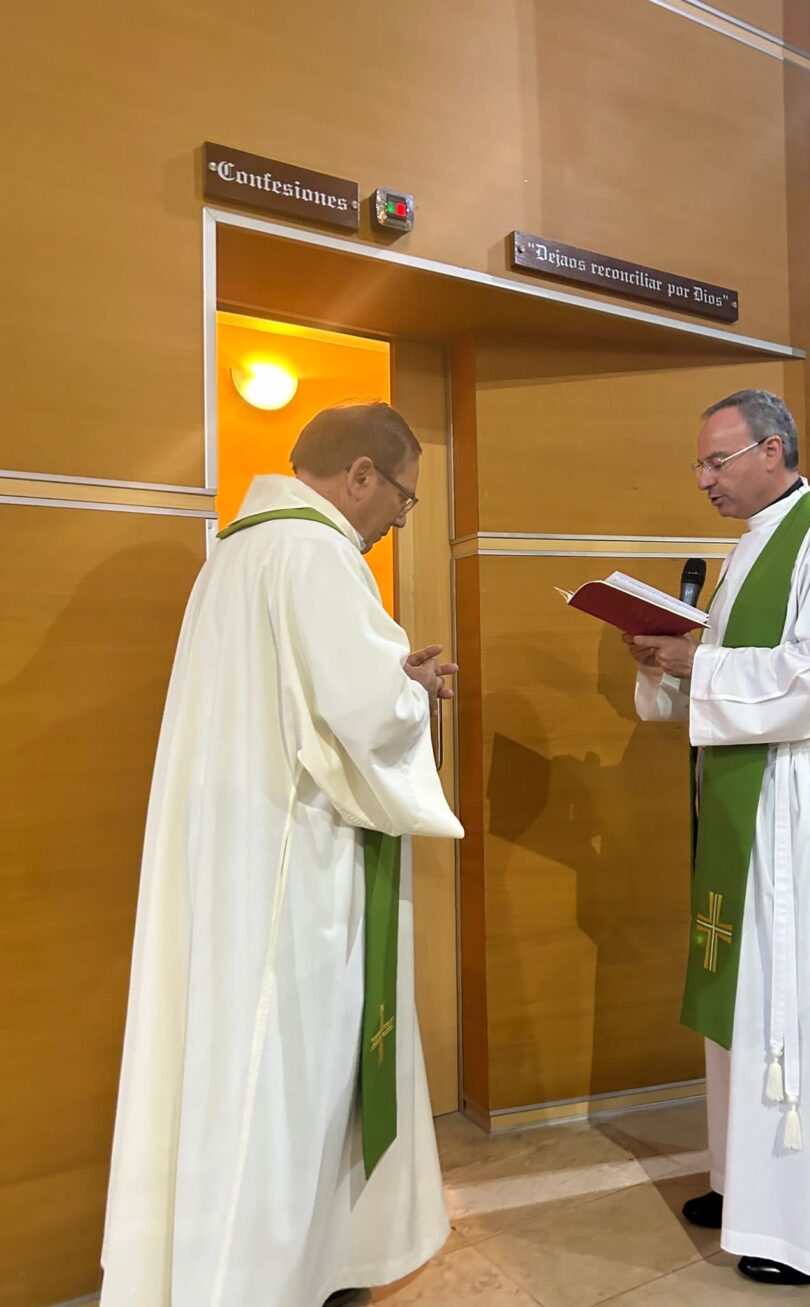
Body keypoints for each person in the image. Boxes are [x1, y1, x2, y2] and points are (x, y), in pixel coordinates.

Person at [101, 402, 464, 1307]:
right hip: (299, 872)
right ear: (362, 478)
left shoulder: (234, 554)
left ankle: (275, 1269)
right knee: (290, 1074)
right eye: (404, 501)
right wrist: (416, 693)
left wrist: (390, 687)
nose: (399, 524)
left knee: (238, 1072)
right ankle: (267, 1282)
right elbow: (360, 717)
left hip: (233, 854)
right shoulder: (316, 554)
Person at [624, 390, 810, 1286]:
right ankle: (747, 1178)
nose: (703, 479)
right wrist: (670, 660)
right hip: (750, 791)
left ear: (774, 449)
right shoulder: (745, 550)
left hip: (796, 796)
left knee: (794, 996)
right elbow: (738, 671)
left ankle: (803, 1222)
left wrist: (700, 663)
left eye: (717, 461)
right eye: (699, 465)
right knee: (745, 994)